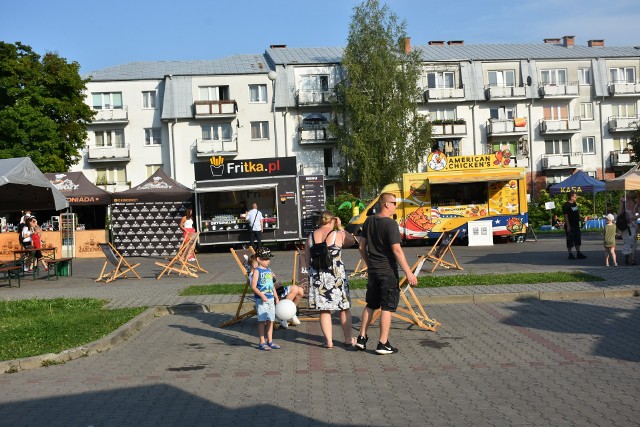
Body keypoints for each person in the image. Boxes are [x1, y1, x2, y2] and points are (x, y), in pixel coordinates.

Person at [355, 193, 418, 355]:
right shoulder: (390, 224)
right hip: (387, 271)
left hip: (374, 271)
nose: (396, 206)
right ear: (386, 204)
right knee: (386, 307)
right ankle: (383, 343)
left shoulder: (369, 221)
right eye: (394, 203)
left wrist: (369, 264)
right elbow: (396, 250)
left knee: (371, 304)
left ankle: (361, 338)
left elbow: (361, 246)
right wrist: (409, 273)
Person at [305, 211, 356, 349]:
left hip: (318, 275)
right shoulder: (336, 234)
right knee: (344, 308)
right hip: (336, 276)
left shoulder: (310, 236)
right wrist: (340, 227)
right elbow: (352, 241)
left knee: (324, 310)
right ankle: (348, 339)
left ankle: (328, 342)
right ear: (333, 220)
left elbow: (307, 259)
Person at [250, 247, 281, 351]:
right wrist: (262, 295)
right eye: (265, 259)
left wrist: (276, 297)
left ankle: (270, 341)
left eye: (269, 259)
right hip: (262, 300)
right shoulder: (257, 271)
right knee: (262, 321)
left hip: (271, 299)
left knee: (271, 320)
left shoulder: (269, 270)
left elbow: (271, 286)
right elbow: (254, 286)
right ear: (258, 259)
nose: (268, 261)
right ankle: (262, 342)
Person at [563, 191, 586, 260]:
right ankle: (570, 254)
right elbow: (566, 217)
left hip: (576, 225)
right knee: (570, 240)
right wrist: (568, 226)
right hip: (570, 225)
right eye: (575, 197)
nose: (576, 198)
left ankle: (578, 253)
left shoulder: (574, 203)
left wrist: (581, 220)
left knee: (577, 239)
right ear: (571, 197)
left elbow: (577, 213)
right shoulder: (566, 205)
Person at [619, 192, 639, 265]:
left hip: (624, 225)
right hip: (633, 225)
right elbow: (639, 215)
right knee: (633, 242)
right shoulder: (636, 204)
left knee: (626, 241)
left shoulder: (624, 203)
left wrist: (621, 203)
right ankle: (632, 259)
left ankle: (626, 254)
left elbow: (619, 214)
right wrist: (632, 218)